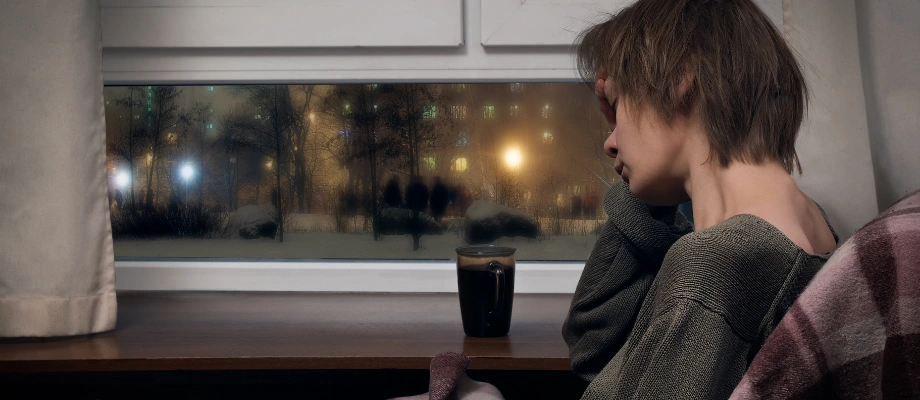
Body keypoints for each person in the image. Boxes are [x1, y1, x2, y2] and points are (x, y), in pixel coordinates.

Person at [561, 0, 839, 399]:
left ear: (680, 77)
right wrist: (643, 155)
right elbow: (596, 347)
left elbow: (593, 360)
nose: (609, 142)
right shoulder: (810, 226)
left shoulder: (714, 264)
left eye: (618, 106)